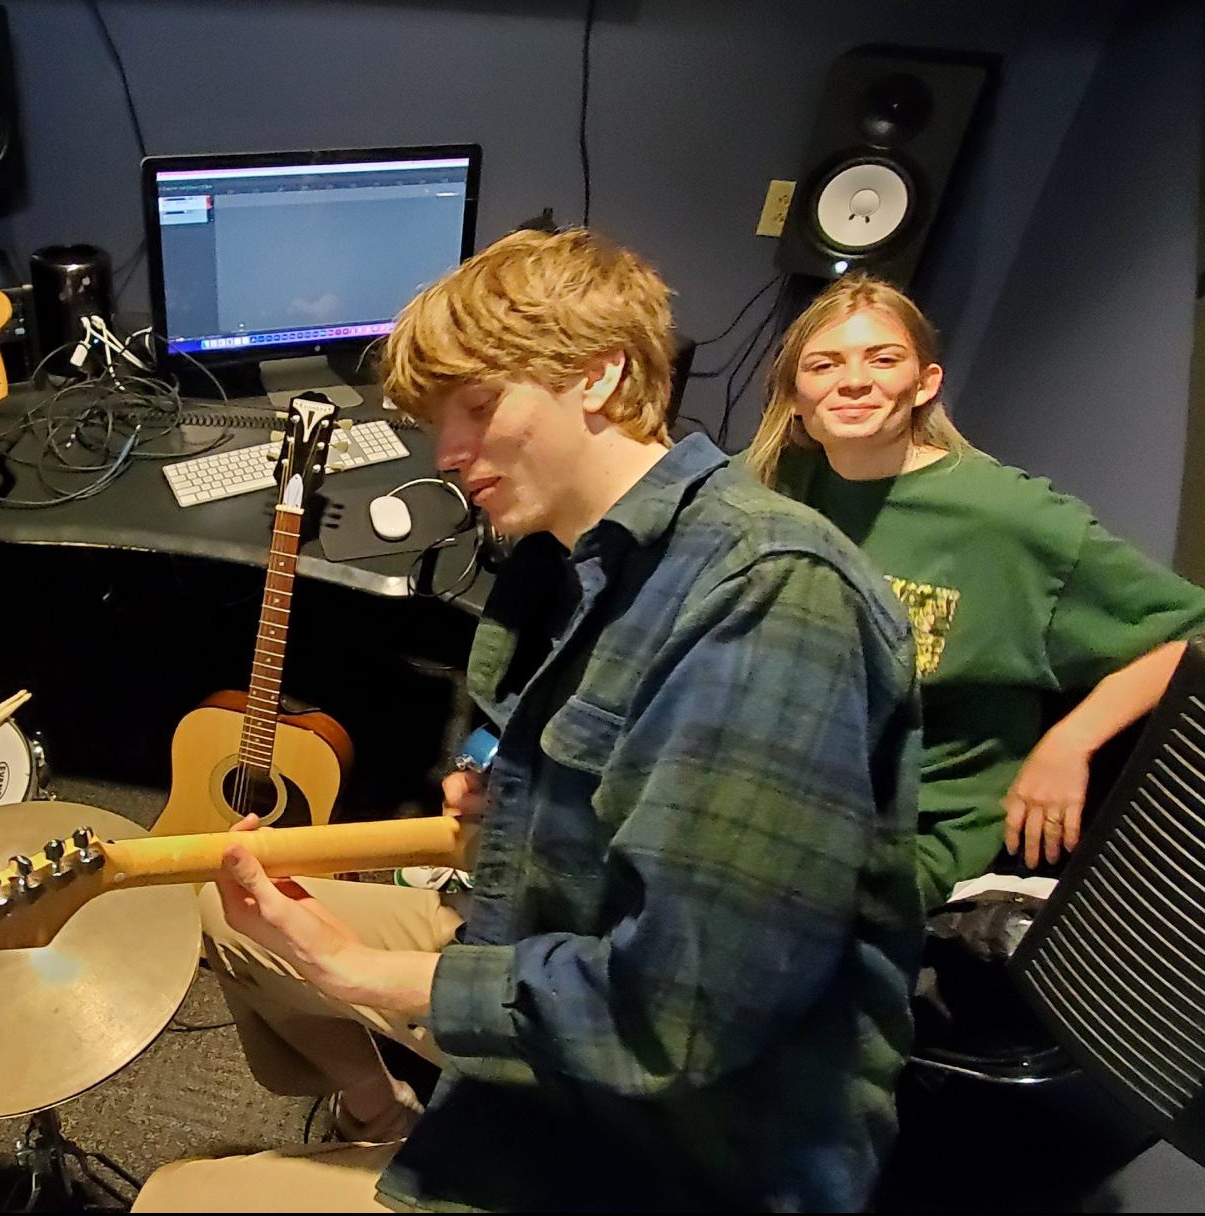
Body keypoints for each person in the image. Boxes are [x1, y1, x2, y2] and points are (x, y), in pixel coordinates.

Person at [138, 229, 925, 1212]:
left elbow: (683, 1016)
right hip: (540, 947)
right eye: (436, 421)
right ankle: (381, 1120)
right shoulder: (571, 557)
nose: (449, 454)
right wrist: (524, 805)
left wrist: (355, 969)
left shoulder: (768, 598)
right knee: (233, 907)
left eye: (478, 406)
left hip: (678, 1136)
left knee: (173, 1196)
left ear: (601, 375)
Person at [742, 274, 1205, 909]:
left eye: (883, 359)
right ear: (796, 394)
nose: (853, 381)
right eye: (826, 364)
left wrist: (1069, 741)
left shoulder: (1006, 516)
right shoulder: (766, 490)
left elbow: (1190, 632)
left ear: (925, 384)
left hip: (913, 830)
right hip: (777, 789)